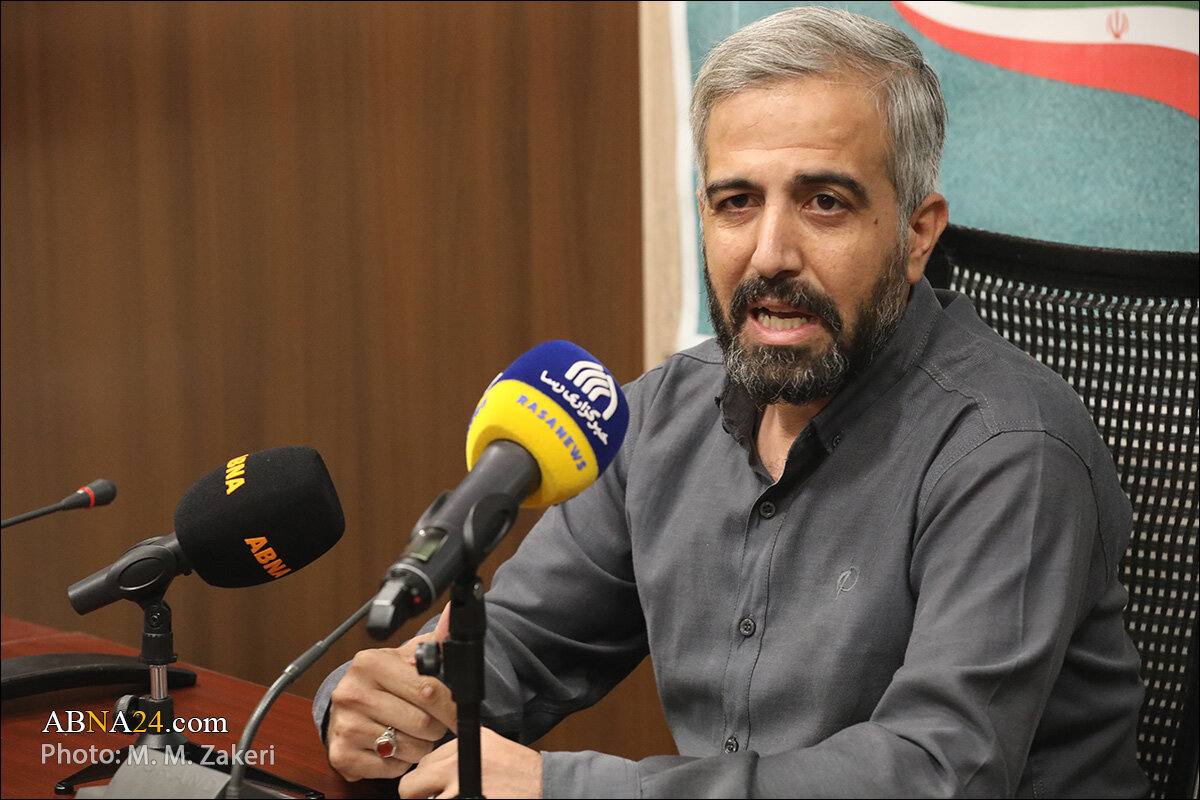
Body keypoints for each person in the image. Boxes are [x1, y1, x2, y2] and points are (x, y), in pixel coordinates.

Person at [314, 7, 1149, 797]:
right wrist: (381, 708)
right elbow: (519, 648)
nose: (770, 253)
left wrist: (570, 788)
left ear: (917, 233)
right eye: (736, 202)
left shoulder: (1009, 448)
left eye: (824, 203)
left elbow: (936, 774)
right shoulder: (661, 418)